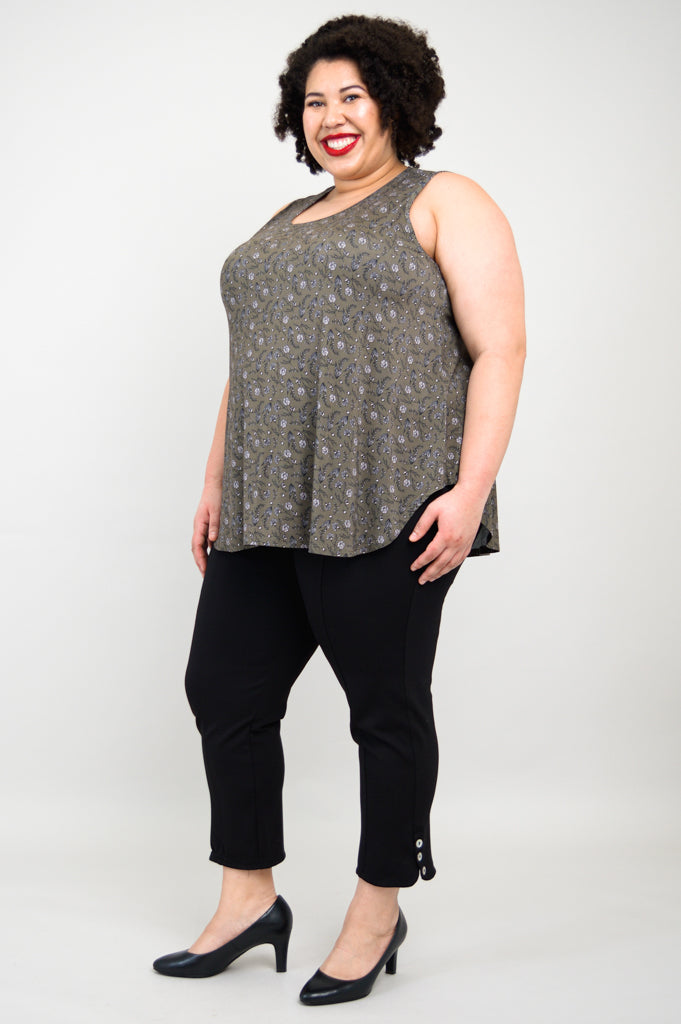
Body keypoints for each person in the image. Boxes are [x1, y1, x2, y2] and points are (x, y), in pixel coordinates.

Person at [152, 13, 525, 1007]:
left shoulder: (444, 199)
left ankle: (377, 909)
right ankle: (248, 899)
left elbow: (500, 348)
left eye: (351, 95)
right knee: (224, 692)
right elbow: (252, 363)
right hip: (265, 502)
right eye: (314, 102)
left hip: (386, 501)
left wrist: (469, 491)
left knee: (385, 711)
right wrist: (215, 481)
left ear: (395, 100)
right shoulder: (286, 219)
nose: (332, 117)